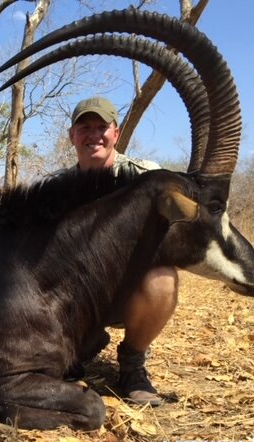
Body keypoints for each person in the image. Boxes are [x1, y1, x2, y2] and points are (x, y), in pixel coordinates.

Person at [66, 96, 177, 406]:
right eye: (84, 127)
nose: (94, 135)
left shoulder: (146, 177)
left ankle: (132, 367)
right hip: (77, 295)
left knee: (164, 278)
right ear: (72, 136)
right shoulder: (56, 187)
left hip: (127, 290)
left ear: (116, 133)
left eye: (102, 127)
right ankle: (71, 352)